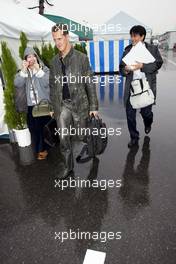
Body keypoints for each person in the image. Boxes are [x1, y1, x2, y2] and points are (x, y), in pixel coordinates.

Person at [50, 24, 98, 179]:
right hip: (63, 105)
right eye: (55, 39)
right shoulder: (54, 62)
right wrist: (53, 106)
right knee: (64, 138)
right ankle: (67, 166)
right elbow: (52, 85)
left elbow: (89, 83)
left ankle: (93, 147)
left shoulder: (81, 58)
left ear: (67, 37)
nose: (58, 42)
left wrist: (93, 106)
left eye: (60, 38)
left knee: (82, 135)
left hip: (79, 104)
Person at [119, 25, 163, 148]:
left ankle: (148, 122)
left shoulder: (152, 49)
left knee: (146, 112)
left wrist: (142, 66)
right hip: (132, 87)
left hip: (146, 86)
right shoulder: (127, 50)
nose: (133, 38)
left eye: (135, 36)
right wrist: (126, 70)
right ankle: (134, 137)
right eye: (131, 36)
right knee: (130, 115)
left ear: (142, 36)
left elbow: (158, 64)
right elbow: (121, 69)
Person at [14, 47, 51, 160]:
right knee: (33, 129)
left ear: (36, 57)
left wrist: (38, 70)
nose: (31, 58)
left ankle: (43, 150)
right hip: (31, 107)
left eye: (33, 56)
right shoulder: (23, 72)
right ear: (25, 59)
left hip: (43, 106)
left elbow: (48, 82)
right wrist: (24, 70)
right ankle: (39, 148)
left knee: (43, 129)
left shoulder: (44, 69)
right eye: (28, 56)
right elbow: (17, 84)